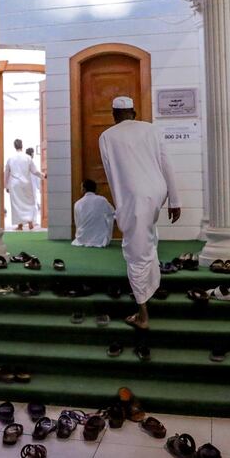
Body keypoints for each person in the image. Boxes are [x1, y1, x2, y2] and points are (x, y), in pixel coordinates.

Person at [99, 96, 181, 330]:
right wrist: (175, 199)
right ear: (134, 113)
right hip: (157, 191)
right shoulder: (152, 130)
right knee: (148, 240)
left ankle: (142, 314)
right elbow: (167, 164)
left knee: (135, 252)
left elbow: (112, 174)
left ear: (114, 114)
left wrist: (121, 209)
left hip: (135, 197)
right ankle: (151, 286)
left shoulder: (107, 136)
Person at [4, 139, 45, 230]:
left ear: (14, 146)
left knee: (17, 204)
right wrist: (43, 175)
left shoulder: (11, 158)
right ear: (22, 146)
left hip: (15, 184)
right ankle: (30, 222)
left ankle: (20, 225)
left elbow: (6, 173)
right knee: (29, 202)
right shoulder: (28, 158)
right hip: (26, 183)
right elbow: (35, 171)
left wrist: (6, 186)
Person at [72, 179, 115, 248]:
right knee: (110, 216)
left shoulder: (77, 203)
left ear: (84, 189)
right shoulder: (102, 200)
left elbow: (77, 222)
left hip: (82, 238)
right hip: (100, 239)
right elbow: (113, 212)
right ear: (95, 189)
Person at [25, 147, 42, 222]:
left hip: (26, 186)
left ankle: (27, 221)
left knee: (26, 203)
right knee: (33, 203)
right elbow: (37, 174)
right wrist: (39, 187)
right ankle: (33, 221)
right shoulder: (32, 163)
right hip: (32, 186)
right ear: (32, 154)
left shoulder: (25, 162)